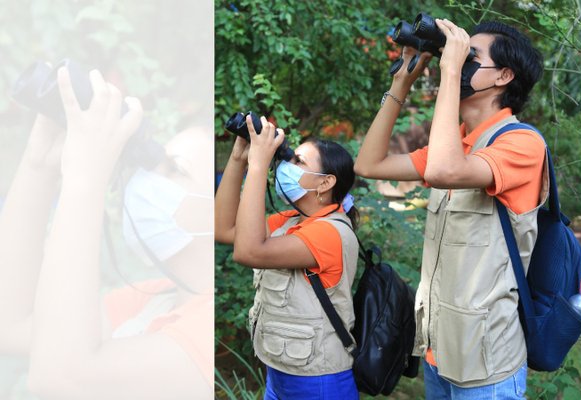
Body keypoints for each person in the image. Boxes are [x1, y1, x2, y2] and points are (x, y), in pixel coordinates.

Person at [354, 18, 546, 398]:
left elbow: (445, 170)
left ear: (504, 76)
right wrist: (400, 85)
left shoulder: (521, 144)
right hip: (440, 352)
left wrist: (449, 71)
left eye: (471, 56)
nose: (456, 61)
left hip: (487, 365)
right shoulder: (458, 143)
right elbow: (369, 165)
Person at [2, 66, 215, 399]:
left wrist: (85, 180)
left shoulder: (207, 331)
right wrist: (39, 164)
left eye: (175, 169)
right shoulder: (150, 300)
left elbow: (59, 378)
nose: (150, 175)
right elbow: (11, 324)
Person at [214, 115, 360, 400]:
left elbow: (249, 252)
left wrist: (258, 165)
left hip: (319, 383)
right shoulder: (291, 220)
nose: (286, 165)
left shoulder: (330, 233)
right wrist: (238, 159)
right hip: (281, 374)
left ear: (325, 182)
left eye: (298, 161)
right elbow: (224, 229)